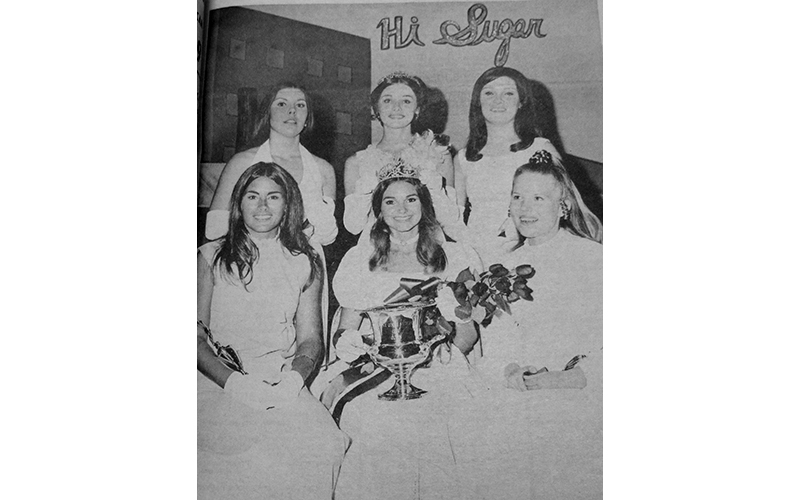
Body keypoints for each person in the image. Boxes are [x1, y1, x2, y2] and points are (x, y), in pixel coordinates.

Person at [330, 161, 486, 499]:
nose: (401, 209)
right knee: (373, 418)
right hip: (376, 367)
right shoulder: (360, 260)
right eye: (391, 201)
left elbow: (469, 336)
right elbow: (345, 329)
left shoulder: (454, 257)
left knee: (439, 417)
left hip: (439, 365)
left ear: (424, 204)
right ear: (379, 210)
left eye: (411, 199)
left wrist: (445, 342)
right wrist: (348, 344)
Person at [453, 150, 603, 499]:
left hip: (579, 388)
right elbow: (496, 345)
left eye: (538, 198)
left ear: (563, 206)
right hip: (516, 387)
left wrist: (562, 379)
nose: (525, 208)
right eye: (518, 197)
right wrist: (510, 370)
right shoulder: (502, 266)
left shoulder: (594, 260)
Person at [197, 162, 349, 500]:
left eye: (273, 196)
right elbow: (194, 339)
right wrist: (234, 384)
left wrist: (293, 381)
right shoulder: (210, 256)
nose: (263, 206)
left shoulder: (305, 260)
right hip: (217, 378)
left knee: (323, 444)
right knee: (242, 454)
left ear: (287, 204)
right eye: (253, 196)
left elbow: (310, 340)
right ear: (239, 204)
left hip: (279, 377)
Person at [205, 82, 337, 246]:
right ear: (267, 113)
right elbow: (213, 230)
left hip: (305, 258)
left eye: (300, 105)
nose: (292, 110)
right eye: (282, 104)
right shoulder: (242, 163)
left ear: (307, 118)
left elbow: (327, 237)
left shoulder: (323, 170)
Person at [453, 66, 564, 257]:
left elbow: (563, 204)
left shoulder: (540, 149)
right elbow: (454, 218)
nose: (498, 101)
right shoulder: (464, 158)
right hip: (476, 253)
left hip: (528, 250)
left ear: (521, 102)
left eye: (508, 93)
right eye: (489, 93)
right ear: (478, 101)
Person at [343, 72, 459, 241]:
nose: (396, 107)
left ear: (417, 108)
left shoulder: (438, 154)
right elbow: (353, 226)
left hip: (427, 246)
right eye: (387, 100)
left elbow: (451, 220)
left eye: (406, 101)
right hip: (376, 249)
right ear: (376, 108)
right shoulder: (357, 162)